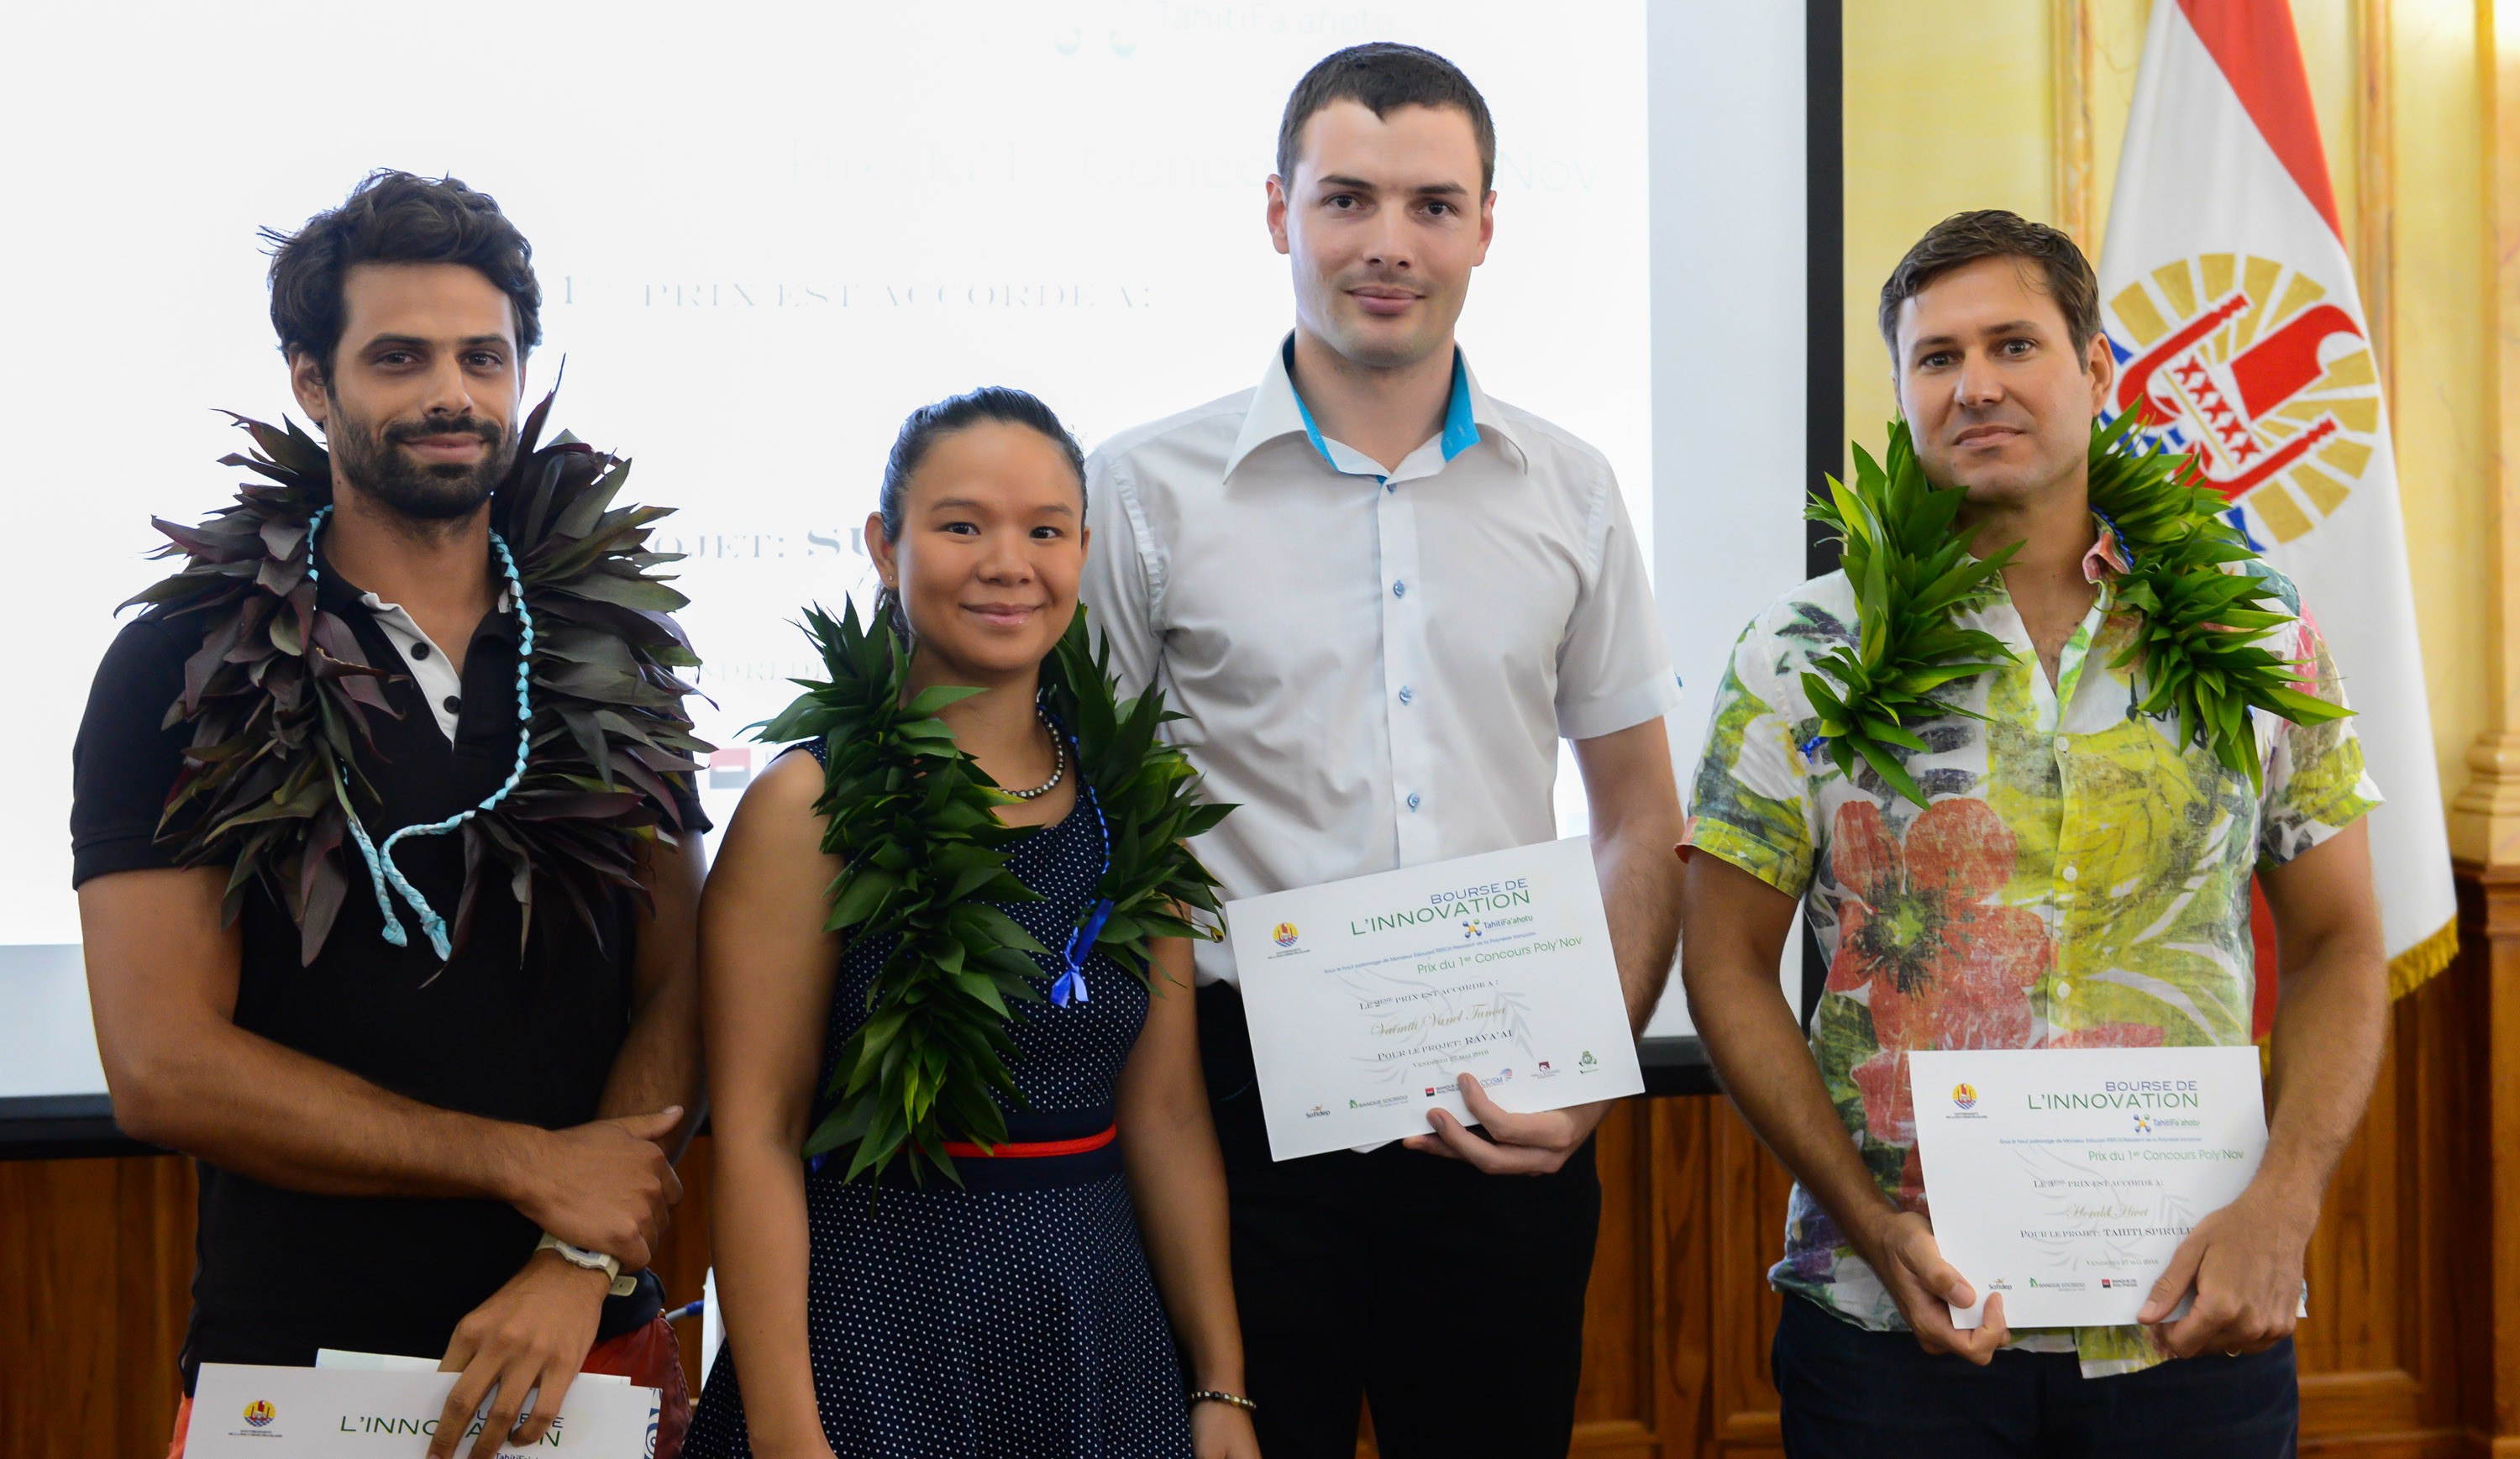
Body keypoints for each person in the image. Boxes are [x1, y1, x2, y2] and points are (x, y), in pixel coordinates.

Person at [1677, 209, 2389, 1456]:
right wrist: (1867, 1221)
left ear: (2099, 369)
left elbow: (2340, 939)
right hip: (1896, 1327)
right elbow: (1725, 963)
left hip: (2189, 1320)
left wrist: (2285, 1201)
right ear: (1902, 392)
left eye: (2015, 343)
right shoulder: (1801, 651)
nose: (1977, 385)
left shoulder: (2261, 632)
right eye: (1936, 357)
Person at [1077, 44, 1688, 1459]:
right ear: (1280, 212)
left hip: (1505, 1093)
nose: (1389, 245)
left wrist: (1595, 1065)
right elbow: (1083, 827)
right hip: (1225, 1105)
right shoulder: (1141, 492)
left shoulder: (1573, 489)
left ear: (1486, 225)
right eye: (1348, 199)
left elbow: (1637, 814)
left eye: (1431, 204)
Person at [71, 171, 711, 1459]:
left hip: (586, 1347)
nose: (451, 395)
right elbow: (160, 1067)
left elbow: (683, 985)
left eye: (485, 357)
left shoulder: (614, 647)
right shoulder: (180, 662)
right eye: (398, 358)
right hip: (300, 1365)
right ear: (312, 382)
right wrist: (522, 1163)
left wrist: (572, 1254)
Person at [686, 387, 1258, 1459]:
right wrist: (786, 1435)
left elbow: (1171, 1119)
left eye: (1044, 531)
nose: (1008, 563)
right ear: (883, 545)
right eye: (962, 526)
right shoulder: (808, 807)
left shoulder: (1132, 805)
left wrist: (1220, 1386)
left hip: (1100, 1335)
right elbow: (756, 1137)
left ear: (1082, 552)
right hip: (870, 1337)